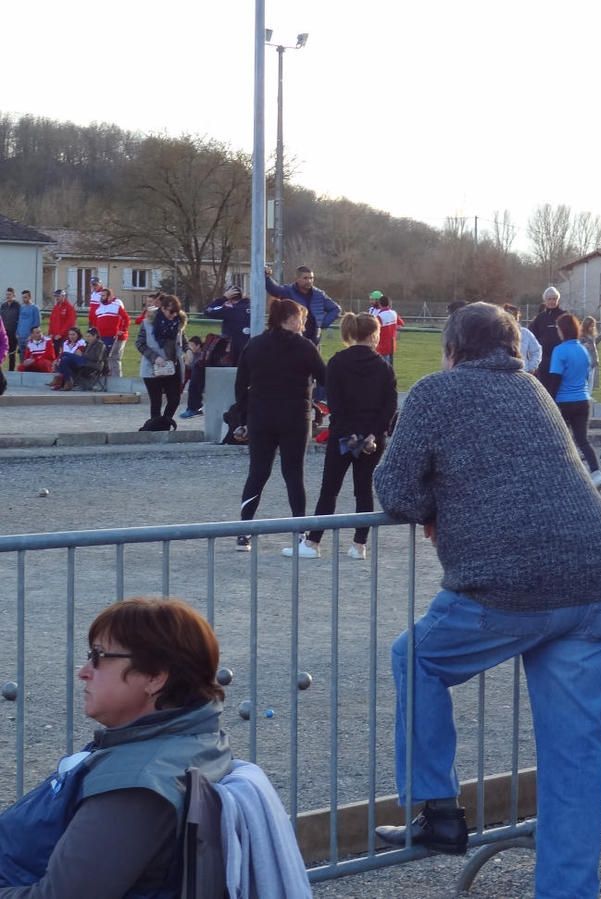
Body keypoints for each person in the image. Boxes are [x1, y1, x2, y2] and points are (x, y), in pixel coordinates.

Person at [372, 302, 601, 898]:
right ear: (516, 348)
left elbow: (395, 490)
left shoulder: (437, 391)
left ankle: (438, 809)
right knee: (575, 759)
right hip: (596, 579)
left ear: (452, 350)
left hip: (510, 584)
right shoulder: (534, 391)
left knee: (417, 657)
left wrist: (437, 505)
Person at [0, 596, 232, 895]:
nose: (84, 671)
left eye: (99, 656)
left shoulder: (136, 788)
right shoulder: (188, 739)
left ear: (155, 677)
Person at [283, 312, 396, 562]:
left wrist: (350, 432)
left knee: (329, 490)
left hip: (343, 436)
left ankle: (313, 542)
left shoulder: (337, 362)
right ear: (374, 335)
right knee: (363, 491)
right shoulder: (384, 367)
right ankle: (359, 545)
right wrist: (372, 434)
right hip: (372, 438)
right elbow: (389, 406)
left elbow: (336, 403)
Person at [234, 299, 327, 551]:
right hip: (295, 418)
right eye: (301, 319)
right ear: (290, 319)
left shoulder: (255, 345)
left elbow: (240, 385)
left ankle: (244, 531)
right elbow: (325, 377)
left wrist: (242, 418)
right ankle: (299, 531)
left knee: (257, 473)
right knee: (294, 475)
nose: (303, 324)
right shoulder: (305, 347)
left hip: (261, 417)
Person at [545, 313, 601, 489]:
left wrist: (549, 401)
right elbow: (586, 376)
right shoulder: (583, 349)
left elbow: (555, 378)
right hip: (583, 400)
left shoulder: (559, 350)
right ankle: (596, 474)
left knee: (561, 441)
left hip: (564, 401)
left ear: (562, 330)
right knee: (582, 440)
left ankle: (564, 477)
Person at [181, 286, 251, 418]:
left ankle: (194, 407)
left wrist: (223, 298)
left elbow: (208, 310)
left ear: (230, 299)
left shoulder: (230, 309)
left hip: (231, 356)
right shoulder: (252, 308)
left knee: (199, 366)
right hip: (249, 354)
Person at [135, 293, 187, 426]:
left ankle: (165, 422)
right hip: (152, 369)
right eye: (171, 312)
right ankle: (156, 427)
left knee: (174, 399)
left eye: (176, 312)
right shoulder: (148, 323)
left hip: (172, 367)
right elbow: (140, 343)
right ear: (163, 308)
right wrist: (154, 357)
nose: (173, 315)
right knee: (156, 401)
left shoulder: (178, 323)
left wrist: (188, 351)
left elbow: (183, 343)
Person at [265, 265, 342, 346]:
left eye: (311, 278)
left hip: (314, 338)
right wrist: (267, 277)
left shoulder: (319, 294)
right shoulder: (288, 291)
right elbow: (274, 289)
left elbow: (336, 309)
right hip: (294, 336)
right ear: (297, 279)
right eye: (305, 278)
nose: (309, 281)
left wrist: (322, 323)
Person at [528, 286, 565, 385]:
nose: (552, 301)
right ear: (545, 300)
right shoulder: (540, 318)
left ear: (558, 300)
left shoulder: (564, 316)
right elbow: (532, 337)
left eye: (554, 299)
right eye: (549, 299)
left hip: (560, 359)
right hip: (544, 360)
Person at [90, 288, 130, 372]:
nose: (101, 297)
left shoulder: (116, 306)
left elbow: (126, 318)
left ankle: (116, 378)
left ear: (109, 296)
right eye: (101, 296)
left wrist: (122, 329)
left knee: (113, 358)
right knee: (102, 358)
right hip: (101, 337)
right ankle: (104, 375)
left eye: (103, 296)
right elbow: (95, 323)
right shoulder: (99, 308)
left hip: (112, 336)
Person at [503, 303, 541, 374]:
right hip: (503, 374)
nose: (512, 320)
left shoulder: (525, 333)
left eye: (515, 317)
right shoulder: (497, 334)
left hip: (522, 373)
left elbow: (536, 351)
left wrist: (531, 367)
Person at [374, 295, 402, 369]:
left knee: (383, 369)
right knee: (390, 368)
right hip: (392, 345)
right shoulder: (394, 313)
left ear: (379, 304)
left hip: (382, 346)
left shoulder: (379, 316)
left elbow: (374, 331)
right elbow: (401, 324)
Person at [47, 289, 76, 354]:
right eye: (55, 296)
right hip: (54, 337)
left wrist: (60, 334)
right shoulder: (56, 307)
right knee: (54, 353)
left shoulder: (69, 308)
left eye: (58, 296)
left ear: (63, 296)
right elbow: (52, 321)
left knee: (63, 354)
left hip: (64, 337)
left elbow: (70, 323)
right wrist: (50, 333)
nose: (56, 298)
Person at [15, 290, 40, 360]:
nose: (24, 299)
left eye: (25, 297)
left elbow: (37, 323)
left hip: (29, 337)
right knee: (21, 356)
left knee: (29, 356)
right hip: (20, 337)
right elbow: (19, 321)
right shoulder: (21, 307)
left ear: (30, 297)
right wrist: (17, 332)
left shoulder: (35, 308)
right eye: (23, 297)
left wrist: (32, 335)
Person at [580, 315, 600, 392]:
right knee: (586, 382)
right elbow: (578, 346)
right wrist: (583, 345)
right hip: (585, 362)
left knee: (590, 383)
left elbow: (593, 345)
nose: (592, 328)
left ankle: (588, 395)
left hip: (592, 362)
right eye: (591, 326)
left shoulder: (591, 336)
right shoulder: (582, 336)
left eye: (593, 326)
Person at [1, 287, 19, 370]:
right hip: (4, 333)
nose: (8, 296)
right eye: (7, 294)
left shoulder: (17, 305)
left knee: (12, 353)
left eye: (10, 294)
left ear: (13, 295)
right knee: (2, 351)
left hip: (13, 332)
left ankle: (11, 370)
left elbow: (20, 319)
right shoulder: (3, 306)